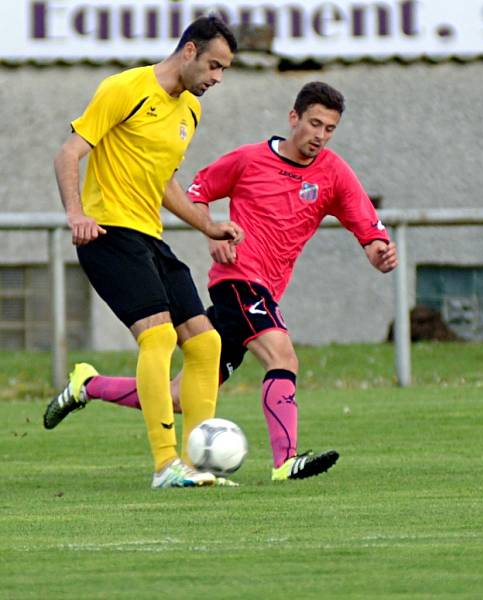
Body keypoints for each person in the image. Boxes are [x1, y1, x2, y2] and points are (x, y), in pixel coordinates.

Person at [44, 81, 398, 482]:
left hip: (266, 289)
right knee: (282, 355)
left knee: (179, 395)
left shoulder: (333, 172)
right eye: (314, 123)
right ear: (293, 117)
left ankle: (88, 385)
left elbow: (365, 222)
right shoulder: (248, 160)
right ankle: (286, 461)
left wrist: (378, 249)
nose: (320, 135)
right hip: (238, 281)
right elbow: (197, 192)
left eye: (329, 129)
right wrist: (211, 235)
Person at [44, 15, 245, 489]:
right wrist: (76, 214)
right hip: (107, 234)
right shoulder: (124, 88)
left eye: (225, 71)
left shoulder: (189, 112)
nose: (217, 78)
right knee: (158, 339)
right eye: (214, 66)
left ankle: (199, 465)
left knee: (206, 343)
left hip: (150, 237)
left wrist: (208, 225)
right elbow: (68, 153)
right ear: (190, 51)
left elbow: (165, 183)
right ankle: (165, 465)